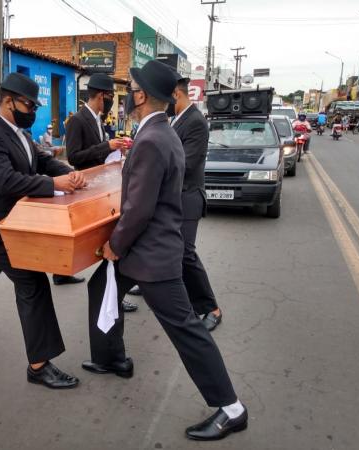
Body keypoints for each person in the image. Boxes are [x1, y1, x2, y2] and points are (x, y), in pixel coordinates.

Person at [82, 60, 248, 441]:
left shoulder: (153, 139)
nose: (125, 96)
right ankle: (110, 357)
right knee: (99, 287)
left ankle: (230, 407)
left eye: (131, 90)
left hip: (153, 256)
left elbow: (139, 209)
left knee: (186, 329)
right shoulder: (162, 132)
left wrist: (114, 245)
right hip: (148, 249)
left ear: (140, 96)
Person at [0, 72, 87, 389]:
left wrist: (71, 175)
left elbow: (43, 161)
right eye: (28, 104)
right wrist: (54, 185)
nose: (33, 111)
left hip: (12, 223)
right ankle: (39, 366)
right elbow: (6, 181)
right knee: (33, 281)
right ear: (8, 101)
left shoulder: (22, 135)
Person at [65, 72, 137, 312]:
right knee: (109, 240)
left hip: (102, 185)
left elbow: (100, 153)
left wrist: (116, 149)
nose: (110, 102)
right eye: (109, 97)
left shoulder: (99, 121)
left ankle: (110, 289)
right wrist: (106, 146)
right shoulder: (77, 120)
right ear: (101, 96)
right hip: (86, 187)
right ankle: (112, 293)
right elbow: (74, 157)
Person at [166, 71, 223, 331]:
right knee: (171, 251)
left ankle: (211, 307)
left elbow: (187, 164)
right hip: (174, 197)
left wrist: (154, 165)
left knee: (186, 254)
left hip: (188, 197)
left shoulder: (195, 122)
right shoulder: (177, 119)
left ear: (176, 94)